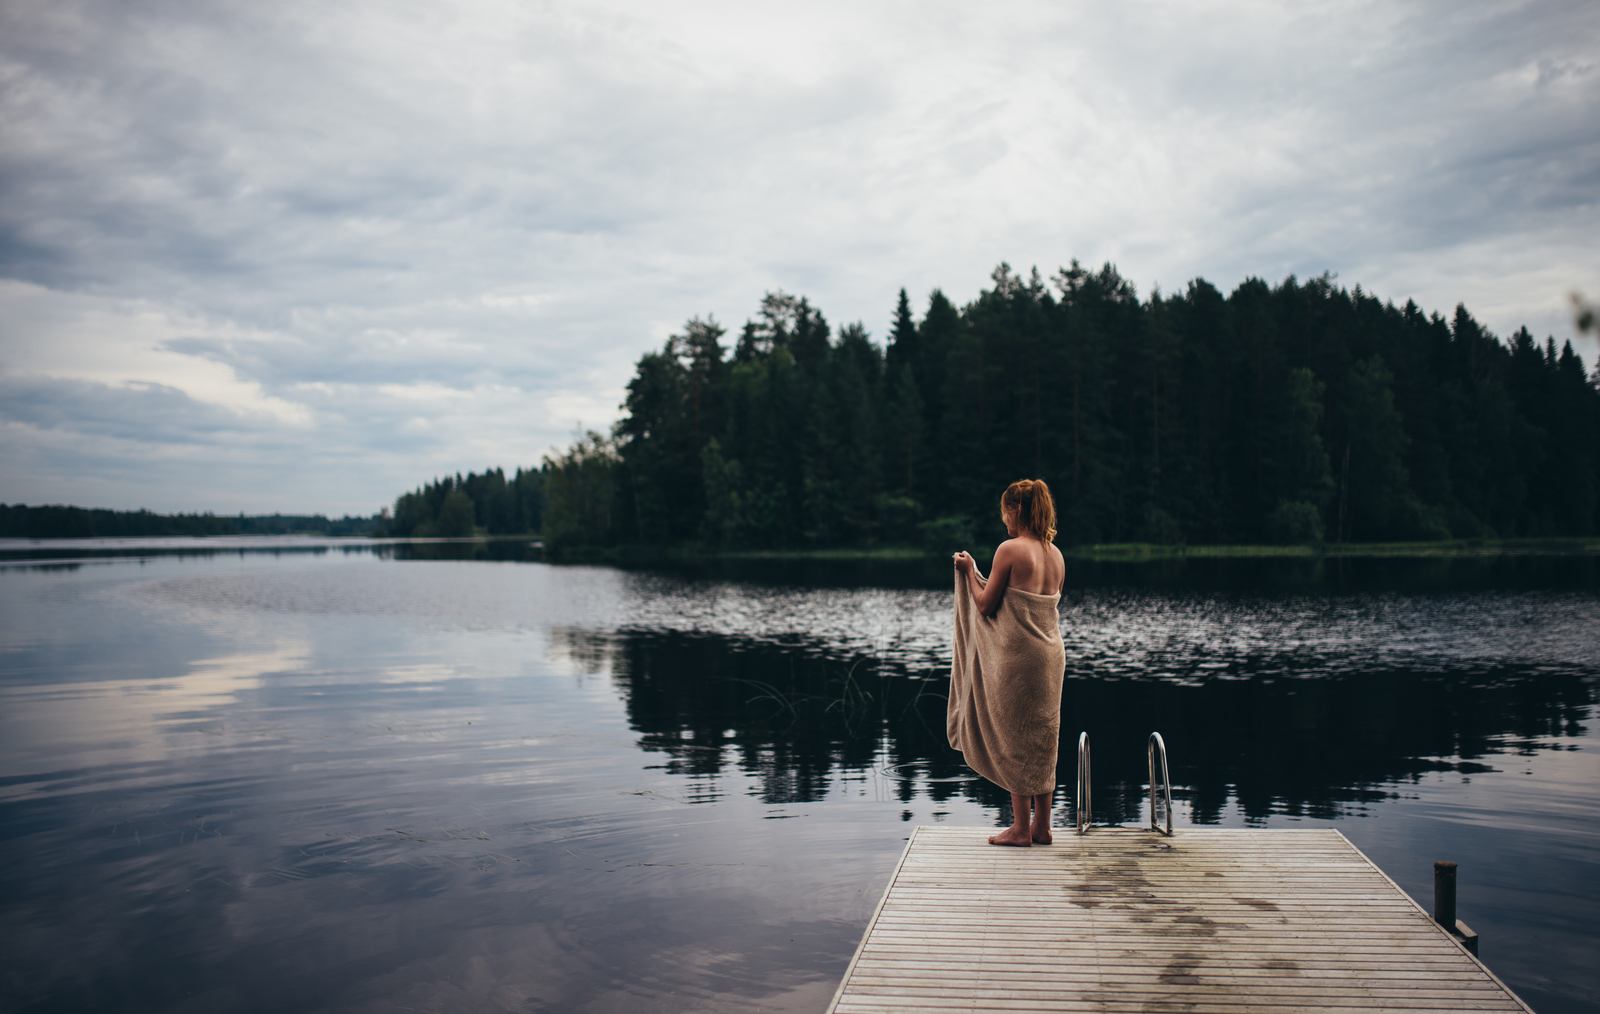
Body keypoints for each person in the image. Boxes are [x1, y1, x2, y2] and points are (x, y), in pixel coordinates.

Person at [949, 479, 1067, 847]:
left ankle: (1019, 829)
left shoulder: (1010, 550)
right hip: (1051, 655)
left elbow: (985, 604)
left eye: (1005, 512)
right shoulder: (1056, 554)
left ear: (1016, 510)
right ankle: (1042, 827)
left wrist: (969, 570)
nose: (1004, 521)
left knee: (1016, 734)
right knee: (1044, 737)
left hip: (1020, 658)